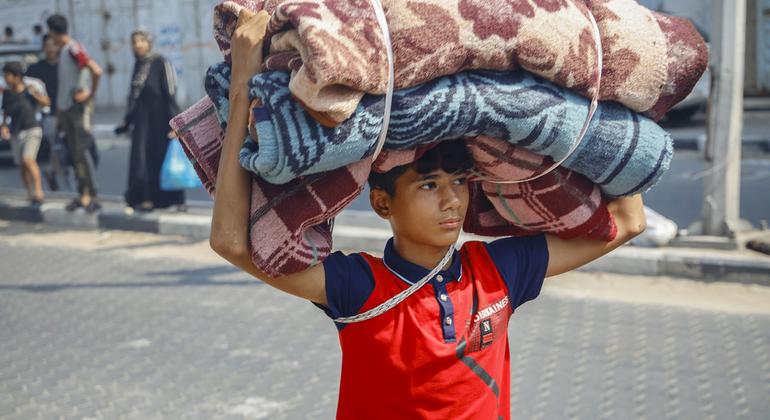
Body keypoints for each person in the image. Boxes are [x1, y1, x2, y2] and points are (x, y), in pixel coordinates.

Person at [209, 10, 647, 419]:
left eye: (458, 181)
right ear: (383, 204)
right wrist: (242, 86)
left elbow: (627, 222)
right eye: (429, 185)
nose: (452, 201)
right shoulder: (359, 287)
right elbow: (230, 243)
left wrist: (610, 83)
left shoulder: (497, 272)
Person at [115, 29, 185, 212]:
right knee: (142, 160)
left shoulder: (161, 62)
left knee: (162, 157)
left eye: (141, 40)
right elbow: (134, 96)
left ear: (149, 42)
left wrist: (175, 123)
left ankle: (174, 200)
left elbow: (170, 93)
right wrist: (127, 120)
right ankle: (146, 199)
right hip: (142, 122)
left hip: (161, 121)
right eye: (134, 41)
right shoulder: (138, 64)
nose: (138, 44)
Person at [46, 13, 103, 213]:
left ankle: (92, 195)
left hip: (78, 109)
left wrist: (90, 94)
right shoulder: (64, 51)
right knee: (75, 155)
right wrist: (61, 115)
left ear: (52, 32)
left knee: (82, 153)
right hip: (68, 109)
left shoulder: (73, 49)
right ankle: (83, 195)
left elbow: (96, 70)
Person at [1, 61, 50, 205]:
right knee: (22, 164)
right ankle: (29, 192)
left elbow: (47, 103)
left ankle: (39, 191)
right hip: (16, 131)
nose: (5, 78)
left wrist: (35, 94)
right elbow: (5, 112)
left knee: (28, 159)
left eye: (8, 75)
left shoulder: (30, 89)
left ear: (16, 76)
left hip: (32, 129)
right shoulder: (7, 93)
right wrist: (3, 126)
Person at [26, 33, 69, 191]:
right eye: (47, 45)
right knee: (54, 142)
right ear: (43, 47)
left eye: (54, 45)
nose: (51, 48)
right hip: (48, 115)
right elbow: (26, 90)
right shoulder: (35, 69)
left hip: (67, 112)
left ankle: (54, 170)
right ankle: (57, 173)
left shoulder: (66, 67)